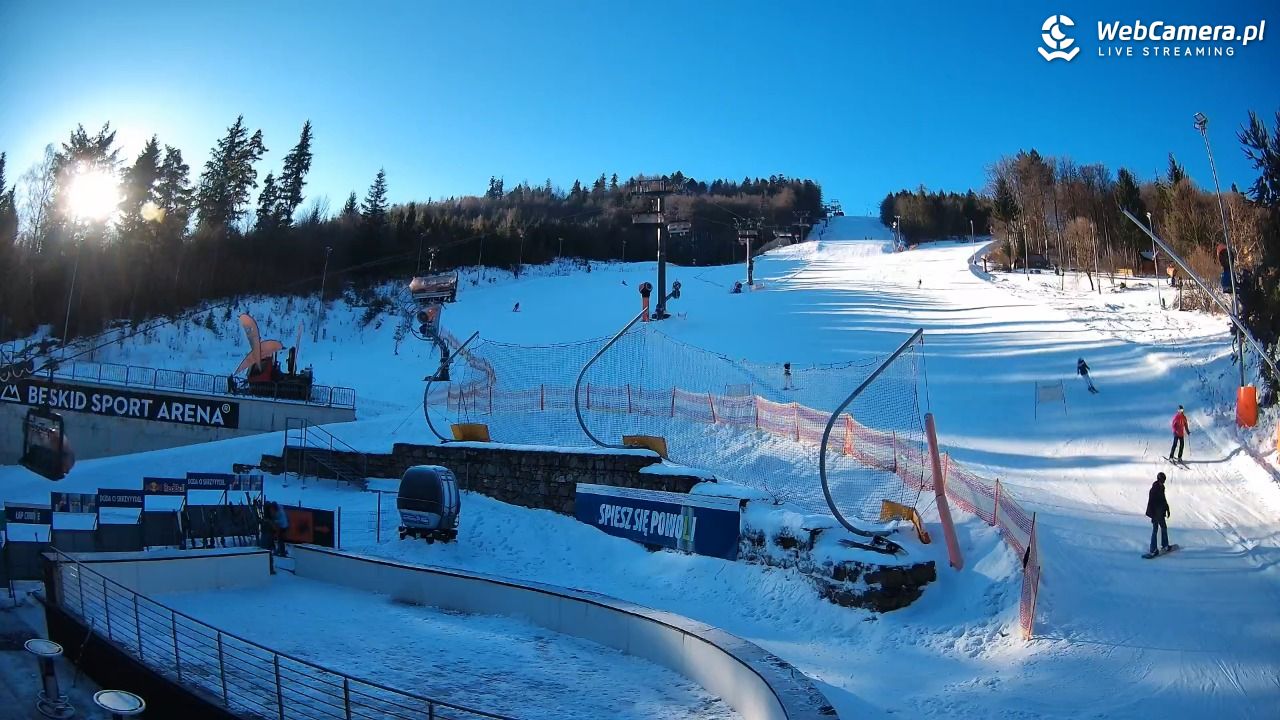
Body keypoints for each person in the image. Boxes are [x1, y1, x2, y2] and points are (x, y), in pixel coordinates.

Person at [1145, 472, 1171, 556]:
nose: (1163, 482)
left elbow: (1163, 499)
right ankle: (1153, 549)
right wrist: (1154, 514)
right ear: (1159, 479)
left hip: (1160, 512)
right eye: (1162, 480)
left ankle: (1165, 545)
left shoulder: (1161, 487)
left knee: (1163, 528)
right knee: (1156, 529)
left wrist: (1167, 508)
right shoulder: (1154, 489)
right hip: (1155, 513)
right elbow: (1151, 502)